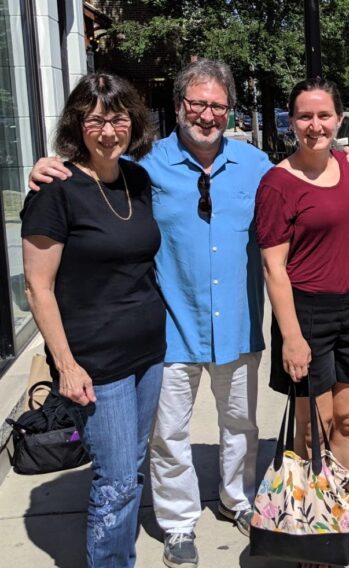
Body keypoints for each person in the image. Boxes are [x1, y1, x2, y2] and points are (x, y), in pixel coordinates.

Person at [28, 59, 349, 568]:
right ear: (179, 106)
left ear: (229, 109)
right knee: (169, 435)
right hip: (171, 326)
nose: (207, 115)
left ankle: (237, 498)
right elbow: (93, 172)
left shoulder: (257, 166)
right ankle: (179, 522)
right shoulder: (144, 167)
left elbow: (309, 173)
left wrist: (348, 154)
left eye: (217, 105)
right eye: (197, 104)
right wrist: (44, 166)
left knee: (240, 426)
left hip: (236, 324)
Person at [21, 73, 163, 567]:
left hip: (148, 353)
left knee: (130, 469)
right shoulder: (54, 190)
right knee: (118, 479)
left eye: (118, 118)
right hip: (96, 363)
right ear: (78, 125)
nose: (108, 131)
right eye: (96, 119)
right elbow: (37, 288)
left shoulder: (137, 179)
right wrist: (67, 365)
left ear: (133, 123)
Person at [254, 77, 349, 564]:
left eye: (324, 115)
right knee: (315, 428)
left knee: (348, 420)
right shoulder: (277, 184)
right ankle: (309, 527)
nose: (315, 125)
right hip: (305, 313)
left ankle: (342, 519)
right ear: (291, 122)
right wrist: (291, 336)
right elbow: (273, 267)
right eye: (304, 116)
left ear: (339, 119)